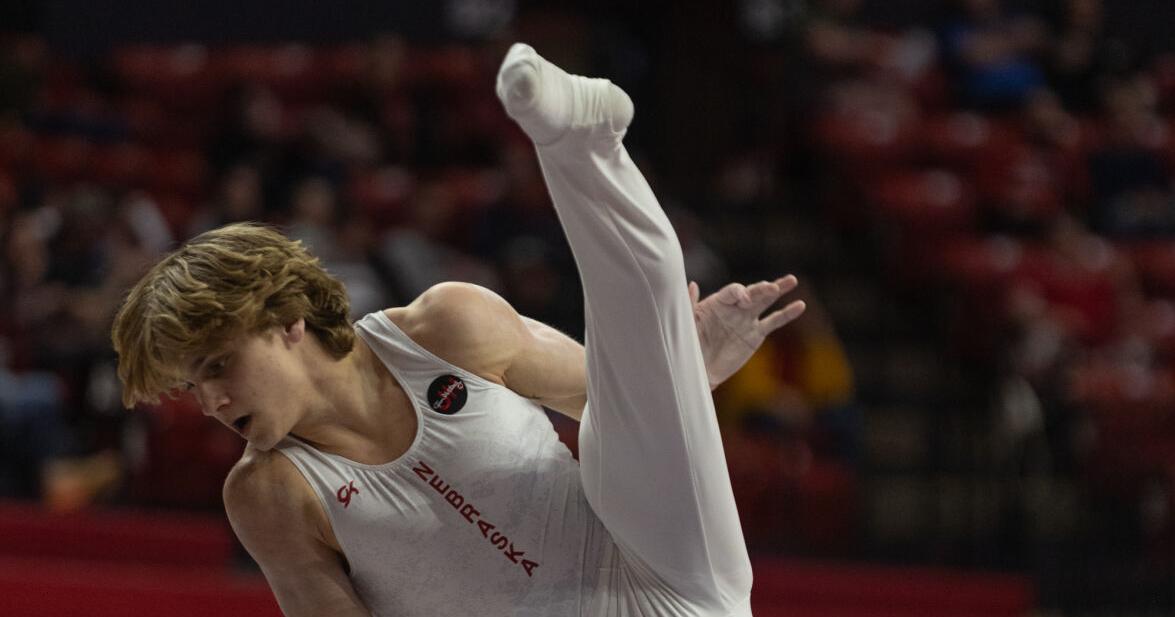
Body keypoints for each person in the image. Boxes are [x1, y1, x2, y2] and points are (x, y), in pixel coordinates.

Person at [111, 43, 806, 616]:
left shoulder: (446, 326)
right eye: (192, 384)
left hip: (664, 578)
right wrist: (669, 373)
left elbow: (614, 403)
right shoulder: (270, 493)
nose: (209, 402)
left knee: (642, 337)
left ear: (286, 320)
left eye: (216, 366)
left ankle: (579, 139)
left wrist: (679, 371)